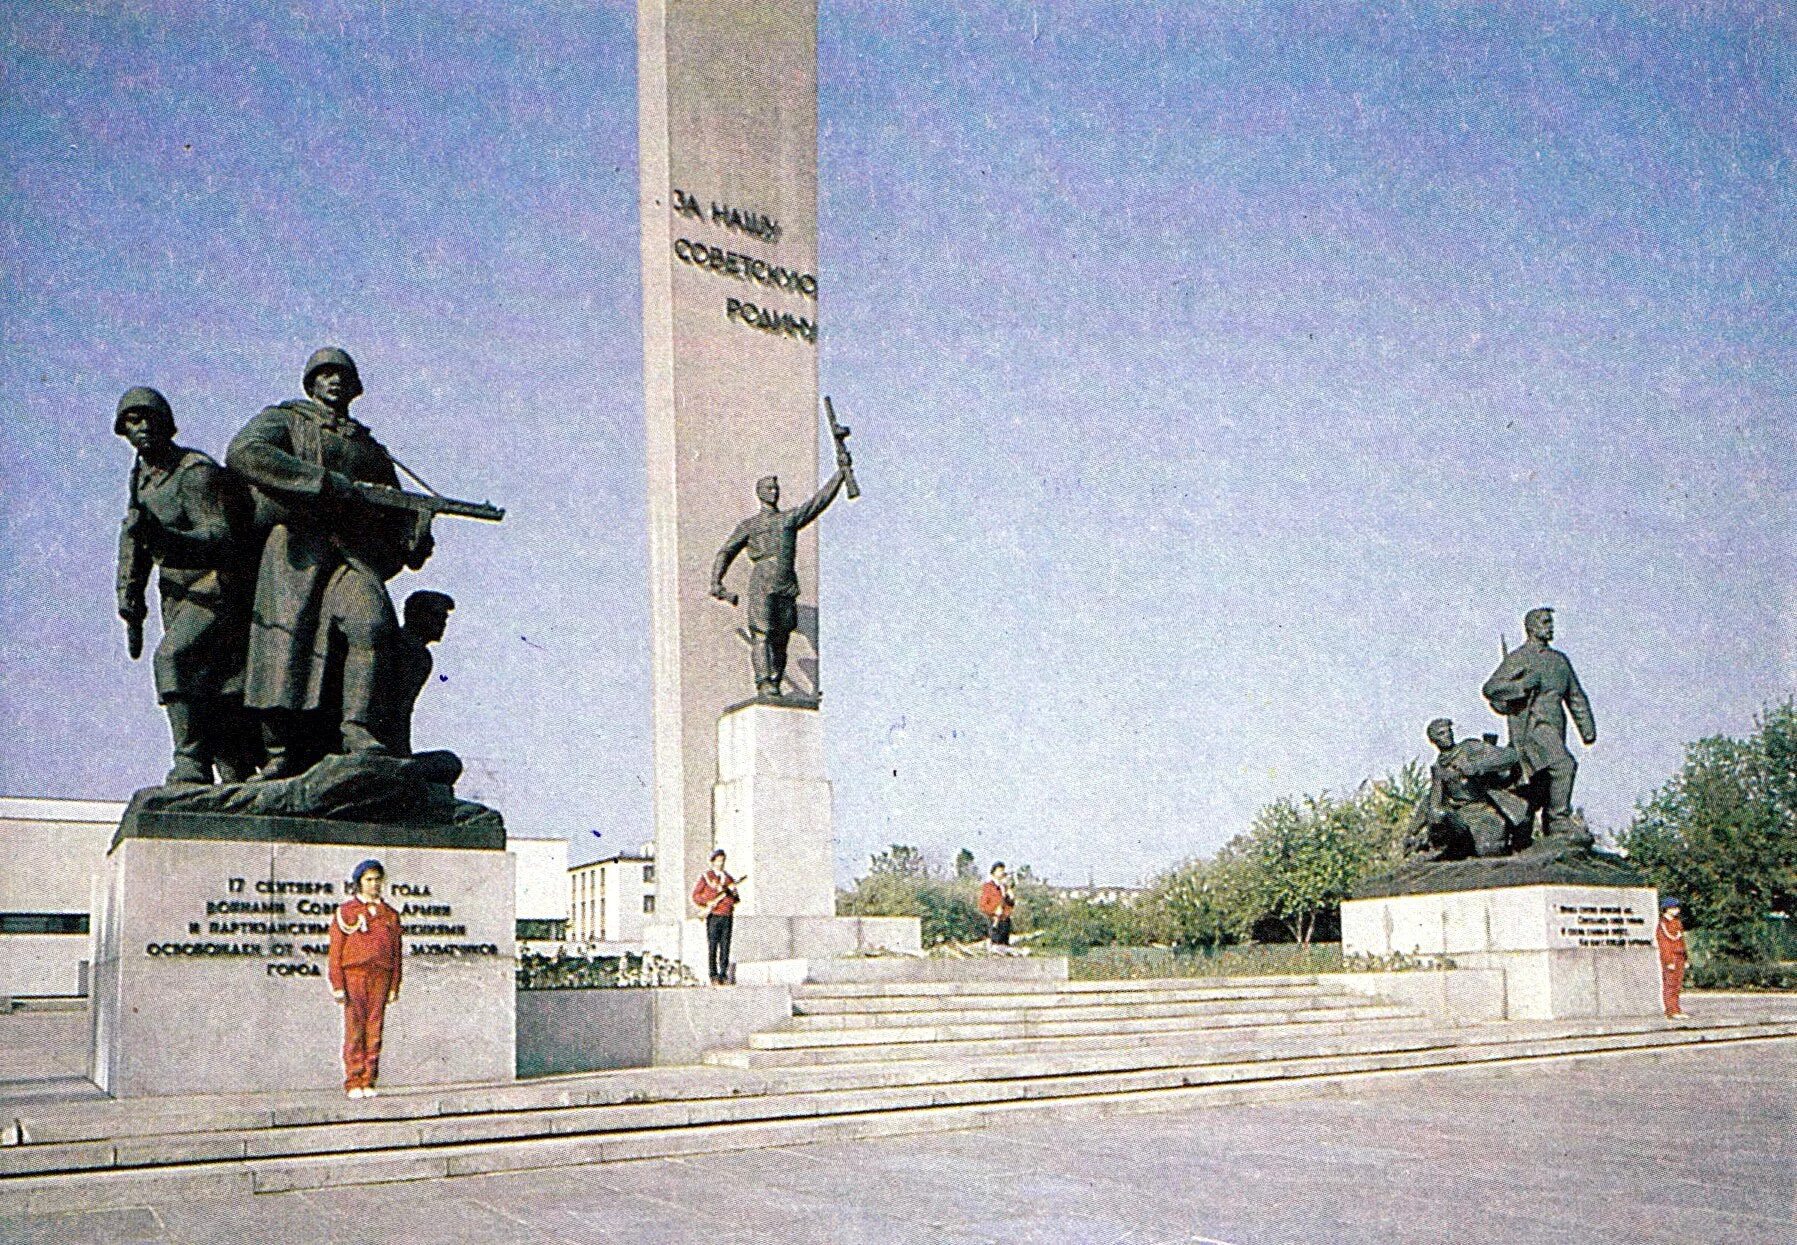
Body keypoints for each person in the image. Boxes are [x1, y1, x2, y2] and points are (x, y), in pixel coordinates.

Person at [227, 348, 434, 777]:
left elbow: (395, 510)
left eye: (342, 375)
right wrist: (321, 483)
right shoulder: (284, 419)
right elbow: (244, 452)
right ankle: (279, 747)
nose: (334, 381)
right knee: (285, 646)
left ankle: (358, 729)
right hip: (296, 555)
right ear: (311, 383)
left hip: (351, 557)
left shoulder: (371, 449)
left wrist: (416, 530)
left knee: (372, 626)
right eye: (324, 374)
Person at [113, 386, 259, 784]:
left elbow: (220, 538)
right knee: (211, 686)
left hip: (216, 588)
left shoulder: (194, 473)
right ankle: (233, 774)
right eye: (131, 420)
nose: (141, 427)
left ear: (166, 422)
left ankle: (190, 763)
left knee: (172, 660)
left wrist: (164, 539)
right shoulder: (141, 479)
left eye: (147, 418)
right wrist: (129, 595)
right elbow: (134, 538)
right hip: (176, 595)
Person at [709, 463, 849, 699]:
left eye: (776, 488)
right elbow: (726, 551)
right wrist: (717, 581)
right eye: (769, 488)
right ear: (760, 493)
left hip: (785, 583)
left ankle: (775, 678)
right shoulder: (750, 525)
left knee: (782, 635)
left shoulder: (789, 519)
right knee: (762, 633)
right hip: (762, 581)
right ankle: (764, 682)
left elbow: (817, 503)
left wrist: (840, 476)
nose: (774, 492)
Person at [1482, 607, 1597, 844]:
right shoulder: (1520, 657)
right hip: (1532, 726)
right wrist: (1522, 686)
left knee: (1540, 783)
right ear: (1531, 627)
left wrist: (1587, 730)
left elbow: (1575, 696)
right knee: (1563, 765)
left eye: (1551, 623)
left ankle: (1525, 826)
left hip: (1555, 725)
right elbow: (1491, 688)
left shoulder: (1559, 661)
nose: (1550, 627)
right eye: (1545, 622)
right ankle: (1558, 820)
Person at [328, 859, 403, 1097]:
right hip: (355, 975)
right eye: (368, 880)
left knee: (374, 1028)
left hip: (380, 975)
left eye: (377, 880)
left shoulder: (389, 914)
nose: (374, 885)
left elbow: (396, 953)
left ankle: (369, 1079)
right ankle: (354, 1079)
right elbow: (336, 952)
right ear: (359, 883)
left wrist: (394, 984)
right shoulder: (346, 912)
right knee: (355, 1028)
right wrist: (338, 984)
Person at [1407, 718, 1531, 859]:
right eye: (1441, 733)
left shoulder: (1469, 748)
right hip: (1462, 816)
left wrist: (1478, 767)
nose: (1447, 735)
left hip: (1484, 810)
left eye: (1449, 731)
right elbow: (1433, 800)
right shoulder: (1439, 768)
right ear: (1433, 740)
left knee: (1489, 850)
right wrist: (1413, 831)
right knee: (1439, 817)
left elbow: (1511, 756)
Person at [388, 590, 455, 756]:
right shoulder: (407, 649)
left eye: (444, 618)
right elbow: (399, 710)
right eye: (436, 616)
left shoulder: (420, 654)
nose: (442, 624)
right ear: (416, 616)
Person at [691, 849, 741, 985]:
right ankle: (713, 974)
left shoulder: (728, 878)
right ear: (713, 862)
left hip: (727, 915)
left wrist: (734, 893)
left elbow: (735, 900)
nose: (721, 863)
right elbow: (696, 895)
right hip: (713, 915)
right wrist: (708, 900)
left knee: (725, 946)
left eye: (723, 860)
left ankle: (723, 974)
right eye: (718, 860)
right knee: (713, 946)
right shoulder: (707, 877)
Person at [1656, 897, 1689, 1019]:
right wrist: (1668, 961)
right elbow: (1664, 945)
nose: (1677, 910)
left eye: (1677, 908)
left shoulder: (1677, 923)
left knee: (1677, 985)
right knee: (1670, 984)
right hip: (1671, 958)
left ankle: (1676, 1008)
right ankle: (1671, 1010)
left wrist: (1685, 958)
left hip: (1679, 956)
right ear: (1667, 909)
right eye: (1674, 908)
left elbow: (1681, 942)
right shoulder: (1663, 925)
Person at [978, 862, 1016, 947]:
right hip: (994, 920)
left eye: (1002, 870)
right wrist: (994, 911)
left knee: (1005, 946)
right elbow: (982, 905)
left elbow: (1010, 904)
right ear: (993, 873)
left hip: (1005, 920)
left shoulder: (1005, 887)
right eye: (999, 870)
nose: (1001, 873)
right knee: (996, 946)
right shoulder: (988, 886)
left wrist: (1011, 898)